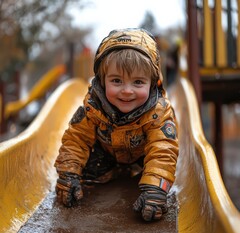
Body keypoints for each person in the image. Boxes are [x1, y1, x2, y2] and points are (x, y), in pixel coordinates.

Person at [54, 28, 179, 222]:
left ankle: (145, 181)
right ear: (102, 81)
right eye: (116, 81)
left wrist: (156, 189)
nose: (127, 91)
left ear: (152, 83)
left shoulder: (158, 112)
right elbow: (76, 139)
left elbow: (163, 151)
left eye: (138, 82)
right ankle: (113, 170)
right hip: (108, 152)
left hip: (141, 155)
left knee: (155, 167)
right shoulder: (93, 107)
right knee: (89, 172)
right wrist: (68, 174)